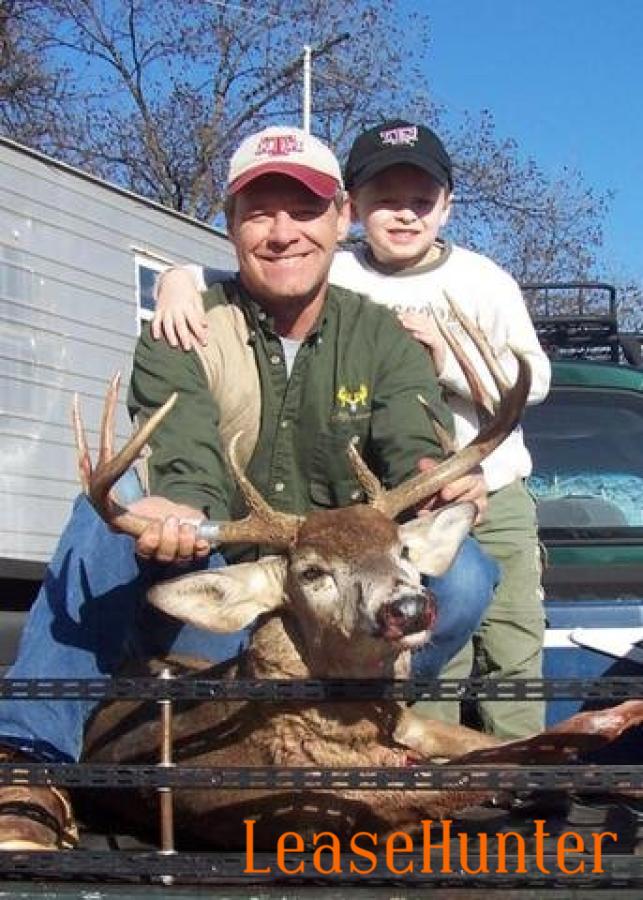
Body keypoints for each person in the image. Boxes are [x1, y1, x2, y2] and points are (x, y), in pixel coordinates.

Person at [0, 125, 496, 850]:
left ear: (340, 220)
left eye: (304, 211)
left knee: (466, 575)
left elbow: (412, 440)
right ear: (230, 225)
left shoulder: (381, 337)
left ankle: (361, 732)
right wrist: (172, 507)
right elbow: (185, 453)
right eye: (259, 212)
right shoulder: (187, 325)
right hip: (227, 592)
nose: (282, 232)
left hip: (333, 611)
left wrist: (435, 478)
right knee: (105, 516)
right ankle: (27, 764)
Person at [154, 119, 551, 740]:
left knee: (488, 605)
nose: (284, 233)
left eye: (421, 200)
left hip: (429, 515)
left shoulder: (473, 286)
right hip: (295, 545)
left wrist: (433, 464)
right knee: (100, 530)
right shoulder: (289, 286)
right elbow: (246, 273)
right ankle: (29, 757)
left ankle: (424, 738)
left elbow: (438, 418)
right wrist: (178, 275)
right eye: (385, 200)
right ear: (356, 210)